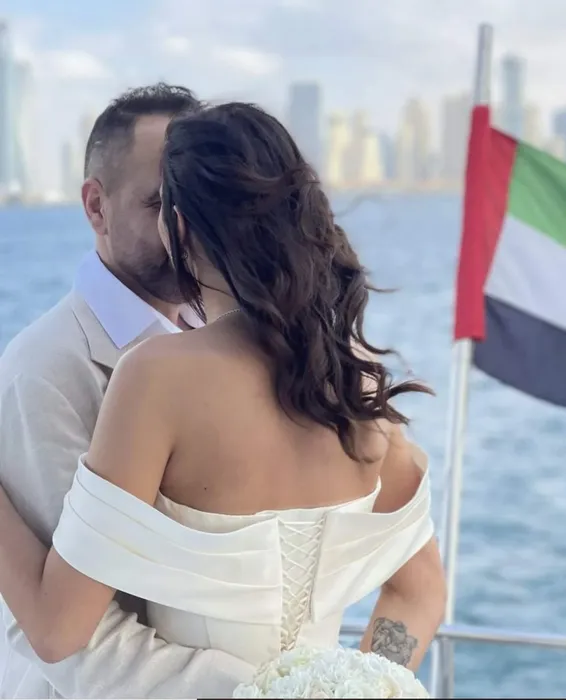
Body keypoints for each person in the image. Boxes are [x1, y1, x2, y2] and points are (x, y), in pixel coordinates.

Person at [0, 102, 446, 696]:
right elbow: (420, 592)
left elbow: (58, 630)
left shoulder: (155, 377)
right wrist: (360, 682)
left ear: (180, 227)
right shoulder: (356, 384)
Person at [0, 85, 257, 698]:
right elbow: (76, 642)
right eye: (161, 204)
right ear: (97, 206)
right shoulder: (45, 370)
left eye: (198, 205)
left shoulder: (241, 344)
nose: (184, 233)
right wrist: (266, 688)